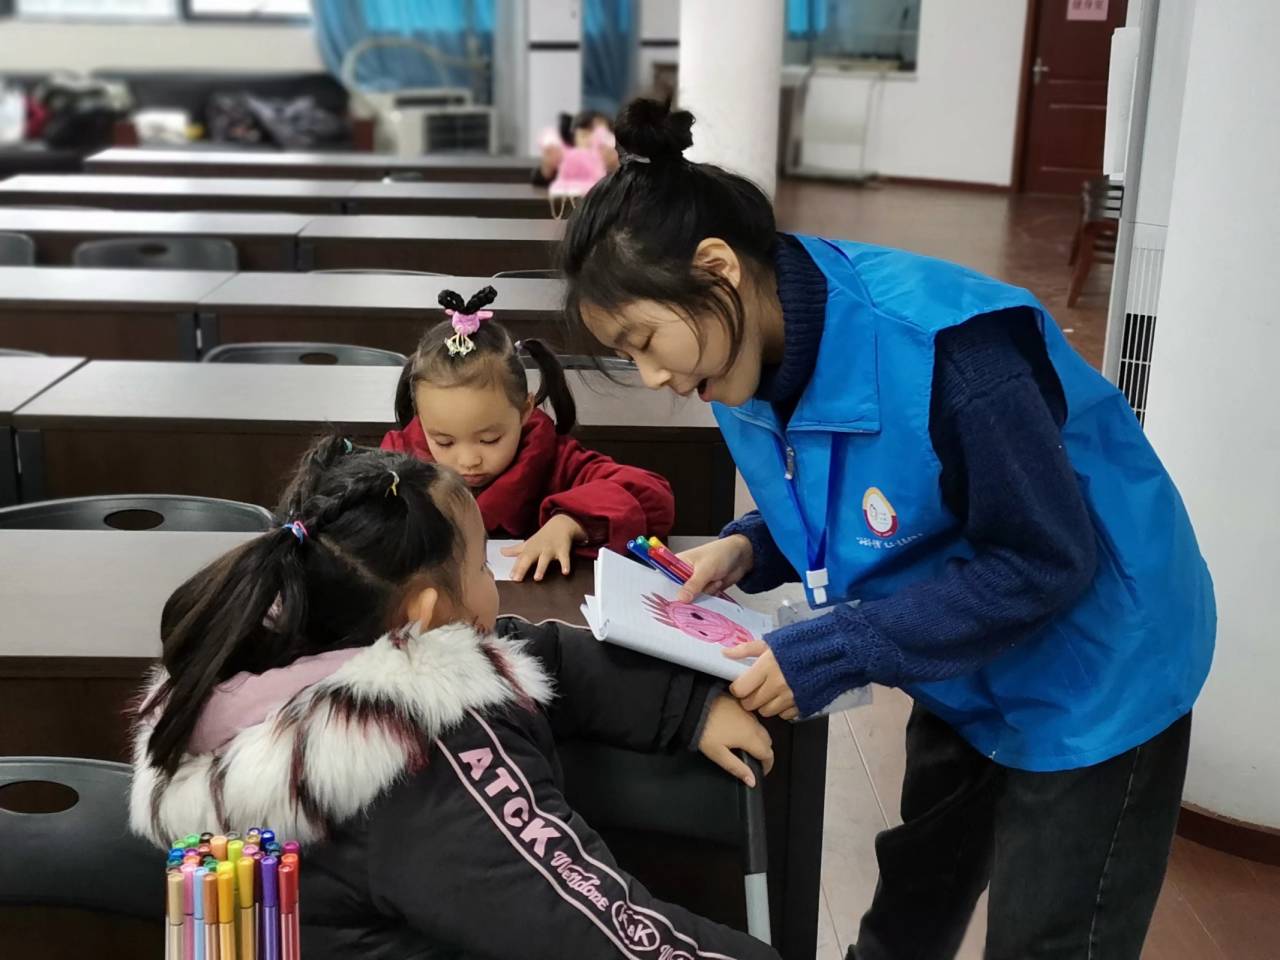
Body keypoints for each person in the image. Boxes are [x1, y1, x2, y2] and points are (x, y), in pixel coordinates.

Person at [560, 97, 1216, 959]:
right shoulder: (737, 347)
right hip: (957, 639)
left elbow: (1047, 558)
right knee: (914, 898)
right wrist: (752, 542)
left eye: (646, 340)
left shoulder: (950, 355)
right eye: (627, 355)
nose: (651, 376)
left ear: (718, 268)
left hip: (1097, 659)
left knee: (1049, 934)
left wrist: (840, 648)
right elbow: (867, 479)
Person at [129, 435, 779, 960]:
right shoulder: (421, 759)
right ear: (428, 614)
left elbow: (529, 651)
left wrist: (686, 708)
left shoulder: (262, 659)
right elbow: (587, 928)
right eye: (481, 567)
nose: (493, 583)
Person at [382, 286, 674, 582]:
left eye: (489, 440)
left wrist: (571, 522)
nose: (468, 460)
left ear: (524, 410)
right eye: (444, 442)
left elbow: (651, 495)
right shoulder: (400, 462)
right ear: (421, 419)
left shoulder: (554, 460)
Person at [532, 109, 619, 188]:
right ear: (573, 140)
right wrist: (547, 168)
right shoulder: (566, 162)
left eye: (600, 135)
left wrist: (615, 166)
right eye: (584, 135)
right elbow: (539, 180)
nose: (593, 141)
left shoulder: (616, 161)